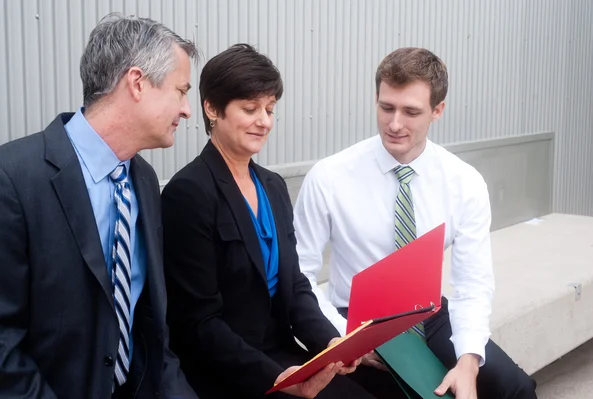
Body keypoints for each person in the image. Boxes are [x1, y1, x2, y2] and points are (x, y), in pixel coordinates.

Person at [294, 47, 538, 399]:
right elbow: (300, 272)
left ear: (438, 111)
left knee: (513, 388)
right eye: (386, 107)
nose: (394, 124)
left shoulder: (464, 182)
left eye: (411, 112)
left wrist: (468, 362)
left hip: (428, 311)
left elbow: (472, 283)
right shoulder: (329, 176)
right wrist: (341, 338)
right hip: (355, 319)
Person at [161, 44, 390, 399]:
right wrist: (278, 377)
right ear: (212, 108)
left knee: (387, 385)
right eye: (250, 108)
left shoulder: (272, 186)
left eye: (269, 109)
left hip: (285, 354)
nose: (264, 121)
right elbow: (198, 323)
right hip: (228, 370)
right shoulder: (188, 194)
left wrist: (332, 342)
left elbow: (295, 284)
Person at [0, 13, 199, 399]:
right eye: (181, 90)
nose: (187, 109)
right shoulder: (13, 179)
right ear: (138, 83)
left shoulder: (143, 181)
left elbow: (150, 332)